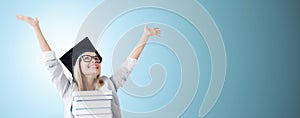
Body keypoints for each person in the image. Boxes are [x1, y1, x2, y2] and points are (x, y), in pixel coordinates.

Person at [16, 15, 160, 118]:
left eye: (96, 58)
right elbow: (51, 64)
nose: (94, 61)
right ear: (77, 65)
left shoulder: (108, 84)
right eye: (87, 58)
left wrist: (145, 36)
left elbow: (128, 65)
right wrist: (36, 28)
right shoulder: (68, 89)